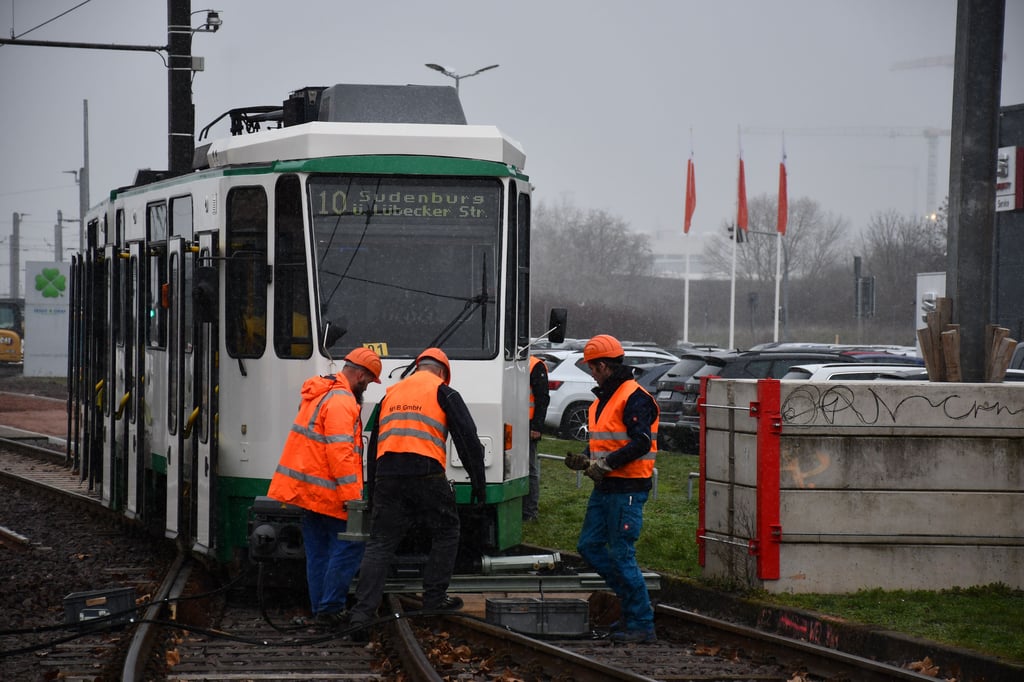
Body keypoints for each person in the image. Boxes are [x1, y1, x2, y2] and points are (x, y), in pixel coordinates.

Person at [347, 347, 487, 633]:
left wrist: (372, 491)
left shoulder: (390, 394)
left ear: (418, 367)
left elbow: (373, 445)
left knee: (380, 542)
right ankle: (433, 601)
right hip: (426, 473)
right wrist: (478, 485)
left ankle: (361, 615)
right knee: (447, 531)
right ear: (442, 372)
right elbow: (468, 440)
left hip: (387, 475)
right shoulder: (444, 392)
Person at [266, 347, 382, 626]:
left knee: (318, 553)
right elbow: (340, 453)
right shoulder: (342, 401)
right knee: (350, 546)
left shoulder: (319, 393)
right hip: (329, 493)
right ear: (360, 375)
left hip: (309, 492)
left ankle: (321, 610)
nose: (368, 386)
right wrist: (353, 497)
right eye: (369, 380)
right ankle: (330, 608)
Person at [563, 334, 659, 643]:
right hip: (607, 487)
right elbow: (607, 442)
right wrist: (586, 459)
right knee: (589, 546)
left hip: (627, 488)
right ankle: (633, 608)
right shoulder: (603, 400)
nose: (591, 373)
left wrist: (605, 465)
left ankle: (641, 623)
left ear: (603, 366)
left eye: (592, 368)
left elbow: (641, 442)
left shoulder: (634, 397)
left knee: (621, 555)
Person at [523, 355, 549, 521]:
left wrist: (537, 426)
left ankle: (530, 511)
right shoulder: (531, 364)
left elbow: (542, 399)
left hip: (528, 424)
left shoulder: (534, 365)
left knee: (529, 468)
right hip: (515, 422)